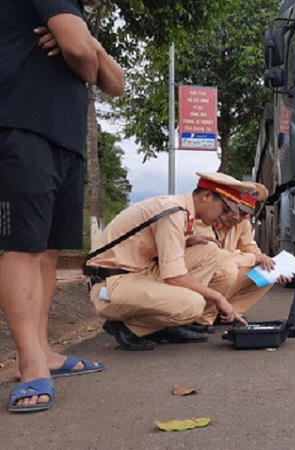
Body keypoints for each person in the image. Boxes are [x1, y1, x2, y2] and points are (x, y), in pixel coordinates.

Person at [0, 0, 124, 413]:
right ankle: (30, 363)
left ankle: (44, 351)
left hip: (65, 140)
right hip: (23, 128)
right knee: (24, 247)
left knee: (49, 252)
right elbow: (79, 54)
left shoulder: (73, 10)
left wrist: (92, 48)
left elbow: (116, 84)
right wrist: (85, 53)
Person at [86, 173, 255, 352]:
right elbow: (174, 277)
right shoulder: (172, 213)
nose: (225, 216)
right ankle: (130, 328)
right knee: (193, 304)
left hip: (134, 274)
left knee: (209, 251)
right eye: (225, 209)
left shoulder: (179, 209)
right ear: (206, 196)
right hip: (110, 285)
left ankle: (163, 325)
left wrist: (186, 241)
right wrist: (219, 298)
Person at [190, 186, 292, 333]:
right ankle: (201, 319)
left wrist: (274, 267)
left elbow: (251, 249)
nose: (237, 217)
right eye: (233, 210)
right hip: (198, 278)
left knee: (267, 271)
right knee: (228, 269)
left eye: (244, 214)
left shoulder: (242, 223)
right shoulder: (204, 220)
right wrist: (253, 258)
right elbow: (216, 256)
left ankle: (230, 313)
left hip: (219, 277)